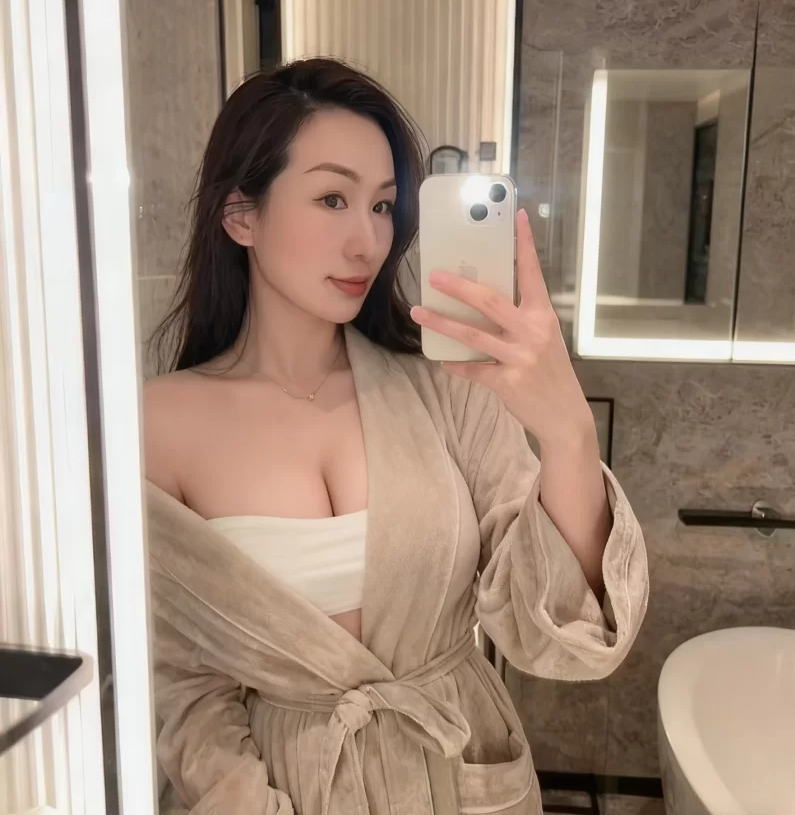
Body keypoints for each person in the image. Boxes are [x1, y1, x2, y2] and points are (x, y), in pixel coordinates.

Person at [144, 57, 648, 815]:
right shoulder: (160, 423)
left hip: (460, 776)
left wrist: (568, 432)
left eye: (383, 206)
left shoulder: (447, 391)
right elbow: (183, 684)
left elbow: (560, 638)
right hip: (286, 789)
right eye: (332, 199)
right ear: (241, 214)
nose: (368, 242)